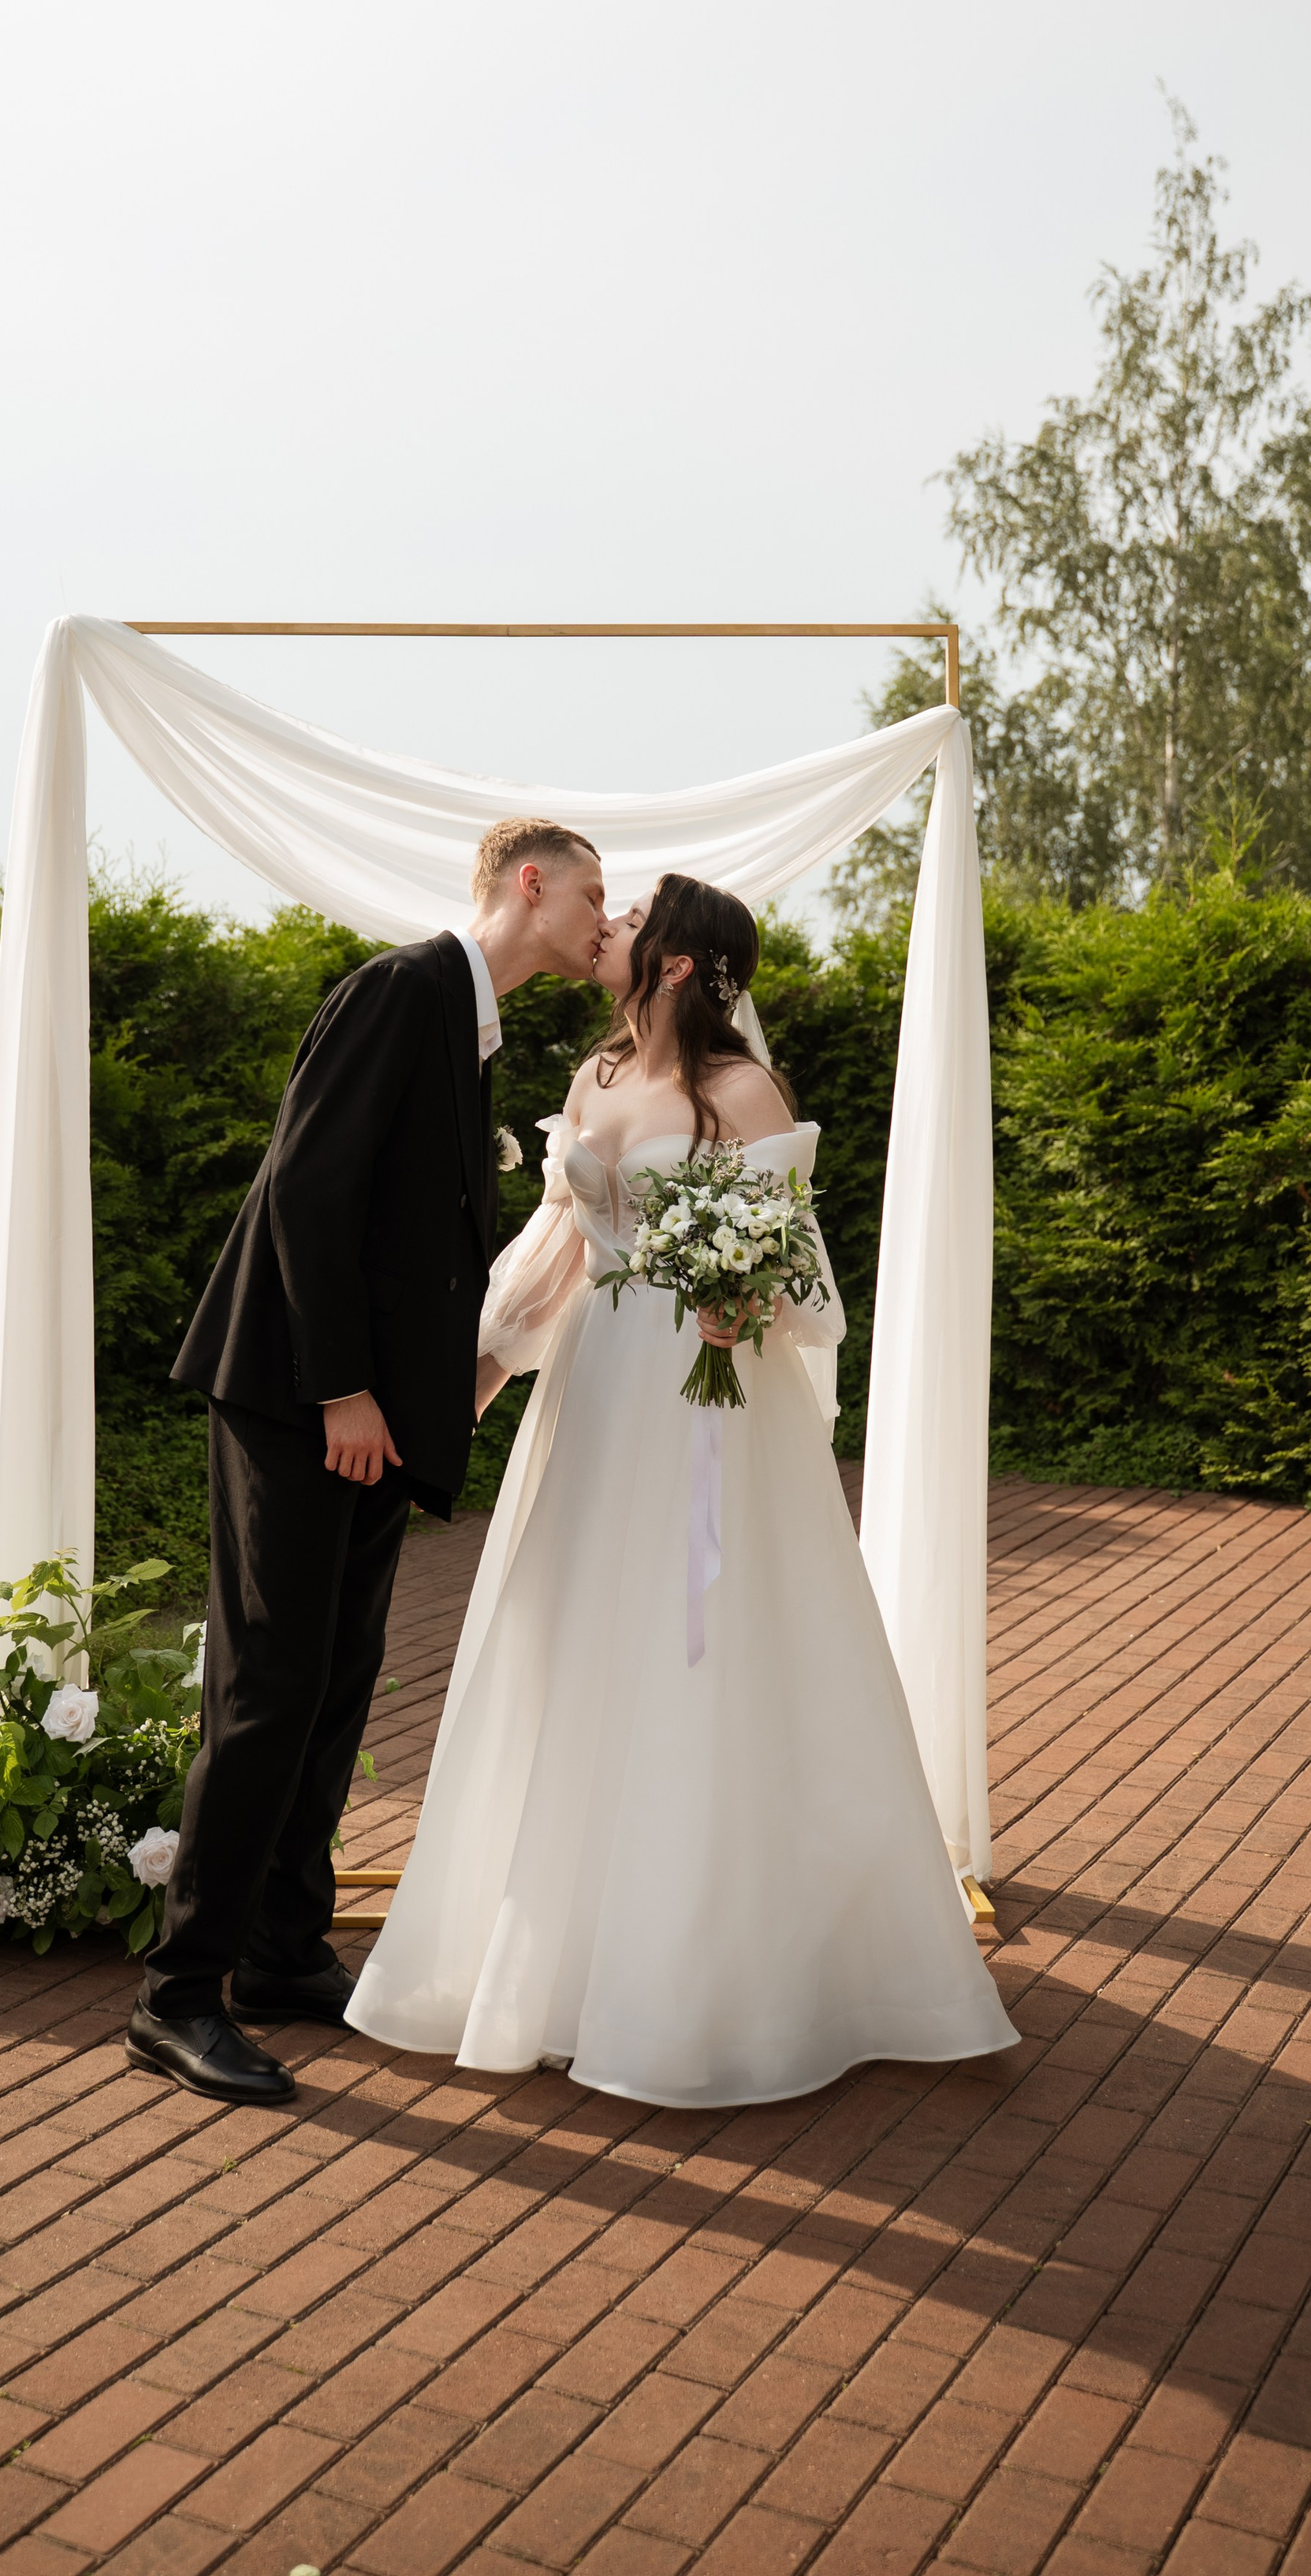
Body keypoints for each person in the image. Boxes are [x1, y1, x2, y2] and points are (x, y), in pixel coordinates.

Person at [345, 872, 1015, 2104]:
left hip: (705, 1402)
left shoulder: (742, 1094)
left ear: (670, 963)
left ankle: (708, 1972)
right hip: (598, 1396)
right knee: (576, 1639)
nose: (609, 924)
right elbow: (560, 1250)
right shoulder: (594, 1080)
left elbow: (800, 1281)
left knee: (702, 1653)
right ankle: (558, 1955)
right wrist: (479, 1379)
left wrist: (734, 1295)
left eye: (633, 914)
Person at [127, 819, 610, 2105]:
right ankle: (179, 1994)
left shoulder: (473, 1026)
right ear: (529, 883)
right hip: (299, 1403)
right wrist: (341, 1386)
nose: (601, 918)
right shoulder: (402, 989)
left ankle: (285, 1951)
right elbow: (305, 1191)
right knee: (267, 1687)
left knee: (337, 1681)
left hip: (373, 1423)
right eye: (591, 892)